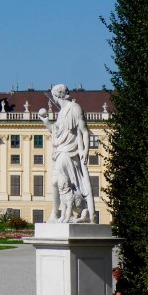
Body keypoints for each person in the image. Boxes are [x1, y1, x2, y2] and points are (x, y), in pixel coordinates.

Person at [38, 84, 96, 223]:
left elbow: (84, 131)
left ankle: (59, 212)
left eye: (53, 95)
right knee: (60, 183)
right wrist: (46, 121)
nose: (53, 98)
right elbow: (57, 133)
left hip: (70, 152)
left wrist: (86, 150)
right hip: (60, 150)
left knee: (59, 182)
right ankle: (62, 212)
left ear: (58, 94)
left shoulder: (74, 108)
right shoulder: (62, 111)